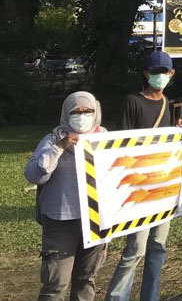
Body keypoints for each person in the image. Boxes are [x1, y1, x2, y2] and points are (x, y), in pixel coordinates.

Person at [106, 50, 182, 301]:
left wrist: (179, 132)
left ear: (171, 73)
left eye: (165, 71)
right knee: (135, 249)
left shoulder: (165, 103)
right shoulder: (132, 101)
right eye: (156, 71)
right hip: (139, 187)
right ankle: (117, 297)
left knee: (158, 247)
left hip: (162, 185)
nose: (160, 76)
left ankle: (151, 296)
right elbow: (121, 143)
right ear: (145, 73)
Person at [26, 92, 107, 301]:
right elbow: (34, 175)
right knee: (56, 285)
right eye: (76, 112)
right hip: (61, 221)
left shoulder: (106, 139)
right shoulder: (53, 139)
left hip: (96, 220)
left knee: (86, 280)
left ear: (96, 112)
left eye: (87, 111)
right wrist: (60, 147)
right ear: (66, 113)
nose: (82, 116)